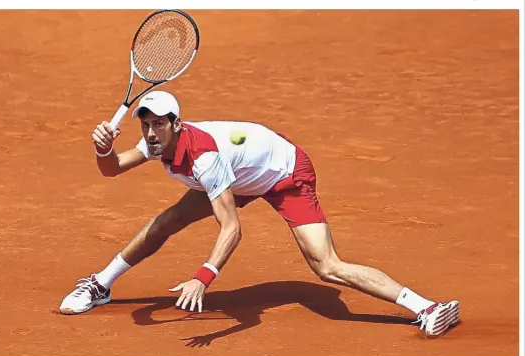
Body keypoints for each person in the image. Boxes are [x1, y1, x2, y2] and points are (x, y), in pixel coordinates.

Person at [59, 90, 460, 337]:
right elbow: (111, 168)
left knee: (327, 266)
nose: (149, 132)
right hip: (243, 172)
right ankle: (100, 285)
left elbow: (232, 228)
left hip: (284, 173)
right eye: (145, 124)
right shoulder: (156, 142)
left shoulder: (205, 157)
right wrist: (101, 147)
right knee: (167, 222)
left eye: (158, 124)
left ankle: (426, 307)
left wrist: (203, 278)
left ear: (176, 125)